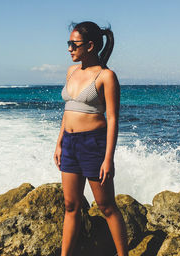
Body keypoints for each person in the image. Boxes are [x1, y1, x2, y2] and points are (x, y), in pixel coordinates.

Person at [54, 21, 128, 256]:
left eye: (73, 44)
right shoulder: (71, 71)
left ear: (90, 46)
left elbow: (113, 119)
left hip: (93, 145)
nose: (69, 49)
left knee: (106, 206)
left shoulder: (106, 76)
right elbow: (68, 111)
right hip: (69, 144)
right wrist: (59, 143)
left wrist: (109, 158)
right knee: (70, 205)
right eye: (69, 43)